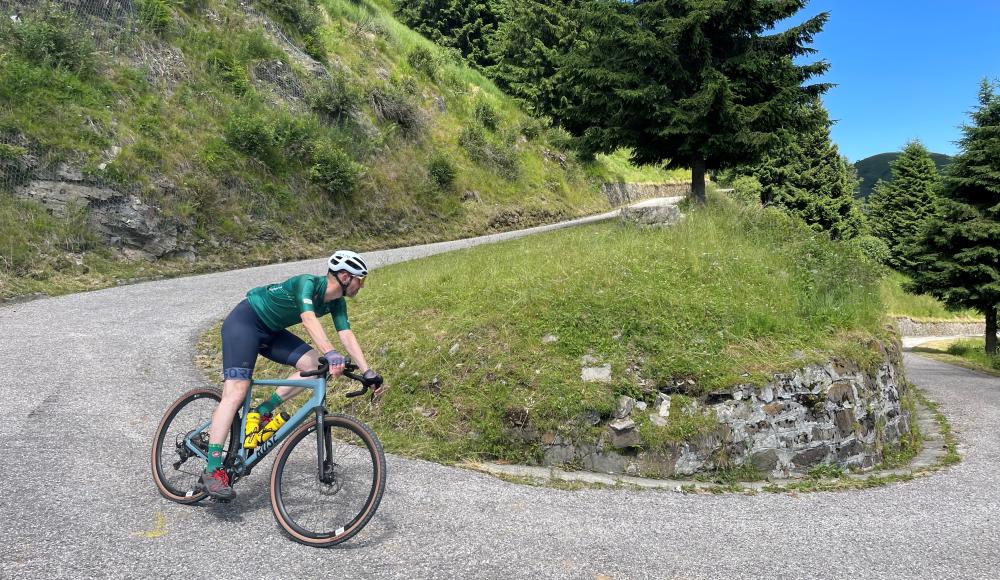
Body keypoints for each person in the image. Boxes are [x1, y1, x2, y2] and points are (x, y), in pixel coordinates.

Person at [199, 250, 383, 500]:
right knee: (237, 392)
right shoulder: (306, 283)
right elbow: (307, 319)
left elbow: (346, 334)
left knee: (318, 368)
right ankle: (213, 469)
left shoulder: (336, 302)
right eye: (360, 279)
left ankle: (263, 411)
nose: (361, 285)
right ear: (344, 276)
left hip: (273, 332)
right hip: (245, 323)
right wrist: (329, 351)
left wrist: (368, 371)